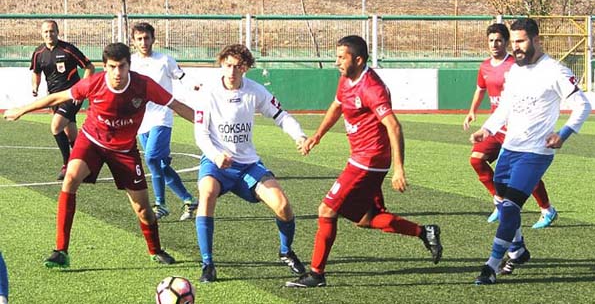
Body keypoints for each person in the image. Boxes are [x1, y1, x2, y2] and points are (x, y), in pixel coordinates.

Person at [4, 42, 196, 268]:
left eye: (122, 67)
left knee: (143, 210)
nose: (117, 72)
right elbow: (57, 97)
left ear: (129, 66)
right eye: (112, 67)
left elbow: (178, 106)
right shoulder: (94, 83)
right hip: (92, 141)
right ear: (105, 67)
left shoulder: (143, 85)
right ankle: (61, 251)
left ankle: (155, 249)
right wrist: (22, 109)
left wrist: (208, 127)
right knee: (70, 178)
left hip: (124, 150)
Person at [285, 35, 443, 288]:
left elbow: (394, 126)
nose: (336, 61)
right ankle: (425, 232)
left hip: (369, 159)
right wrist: (317, 136)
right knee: (366, 219)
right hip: (361, 156)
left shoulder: (371, 88)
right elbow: (337, 106)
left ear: (358, 60)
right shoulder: (346, 79)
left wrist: (399, 169)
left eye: (341, 57)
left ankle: (316, 274)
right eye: (336, 56)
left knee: (326, 209)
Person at [471, 18, 590, 285]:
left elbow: (582, 105)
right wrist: (487, 129)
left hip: (536, 152)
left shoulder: (555, 71)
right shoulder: (515, 71)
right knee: (501, 204)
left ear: (537, 40)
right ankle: (518, 250)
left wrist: (563, 134)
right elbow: (505, 108)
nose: (516, 47)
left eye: (521, 41)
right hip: (510, 148)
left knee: (511, 207)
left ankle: (490, 266)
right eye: (514, 42)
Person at [193, 44, 307, 283]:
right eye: (228, 65)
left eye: (238, 66)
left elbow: (281, 116)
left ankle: (285, 252)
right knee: (206, 194)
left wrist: (299, 136)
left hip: (247, 165)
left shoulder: (255, 91)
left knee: (283, 205)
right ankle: (208, 263)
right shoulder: (208, 92)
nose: (232, 71)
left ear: (246, 68)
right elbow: (200, 134)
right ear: (221, 64)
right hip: (216, 163)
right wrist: (215, 156)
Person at [463, 23, 557, 229]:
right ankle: (499, 201)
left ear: (506, 42)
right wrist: (472, 111)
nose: (494, 44)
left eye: (498, 40)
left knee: (521, 172)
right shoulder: (485, 66)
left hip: (515, 127)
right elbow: (480, 89)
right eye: (490, 40)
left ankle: (546, 209)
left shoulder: (517, 65)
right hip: (495, 125)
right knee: (476, 160)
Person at [131, 22, 198, 221]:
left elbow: (182, 77)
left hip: (162, 116)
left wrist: (194, 88)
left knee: (151, 158)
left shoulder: (165, 60)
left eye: (147, 38)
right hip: (141, 119)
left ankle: (160, 204)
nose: (144, 42)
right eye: (139, 39)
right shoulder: (131, 62)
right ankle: (188, 199)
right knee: (159, 165)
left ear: (153, 39)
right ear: (133, 42)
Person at [30, 19, 95, 180]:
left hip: (71, 95)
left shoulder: (68, 49)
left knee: (56, 126)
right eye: (46, 32)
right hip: (53, 98)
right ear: (42, 34)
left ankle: (67, 165)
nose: (49, 34)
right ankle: (88, 166)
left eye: (52, 31)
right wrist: (35, 87)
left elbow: (89, 67)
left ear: (57, 32)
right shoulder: (38, 53)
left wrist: (82, 89)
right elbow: (36, 72)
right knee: (71, 135)